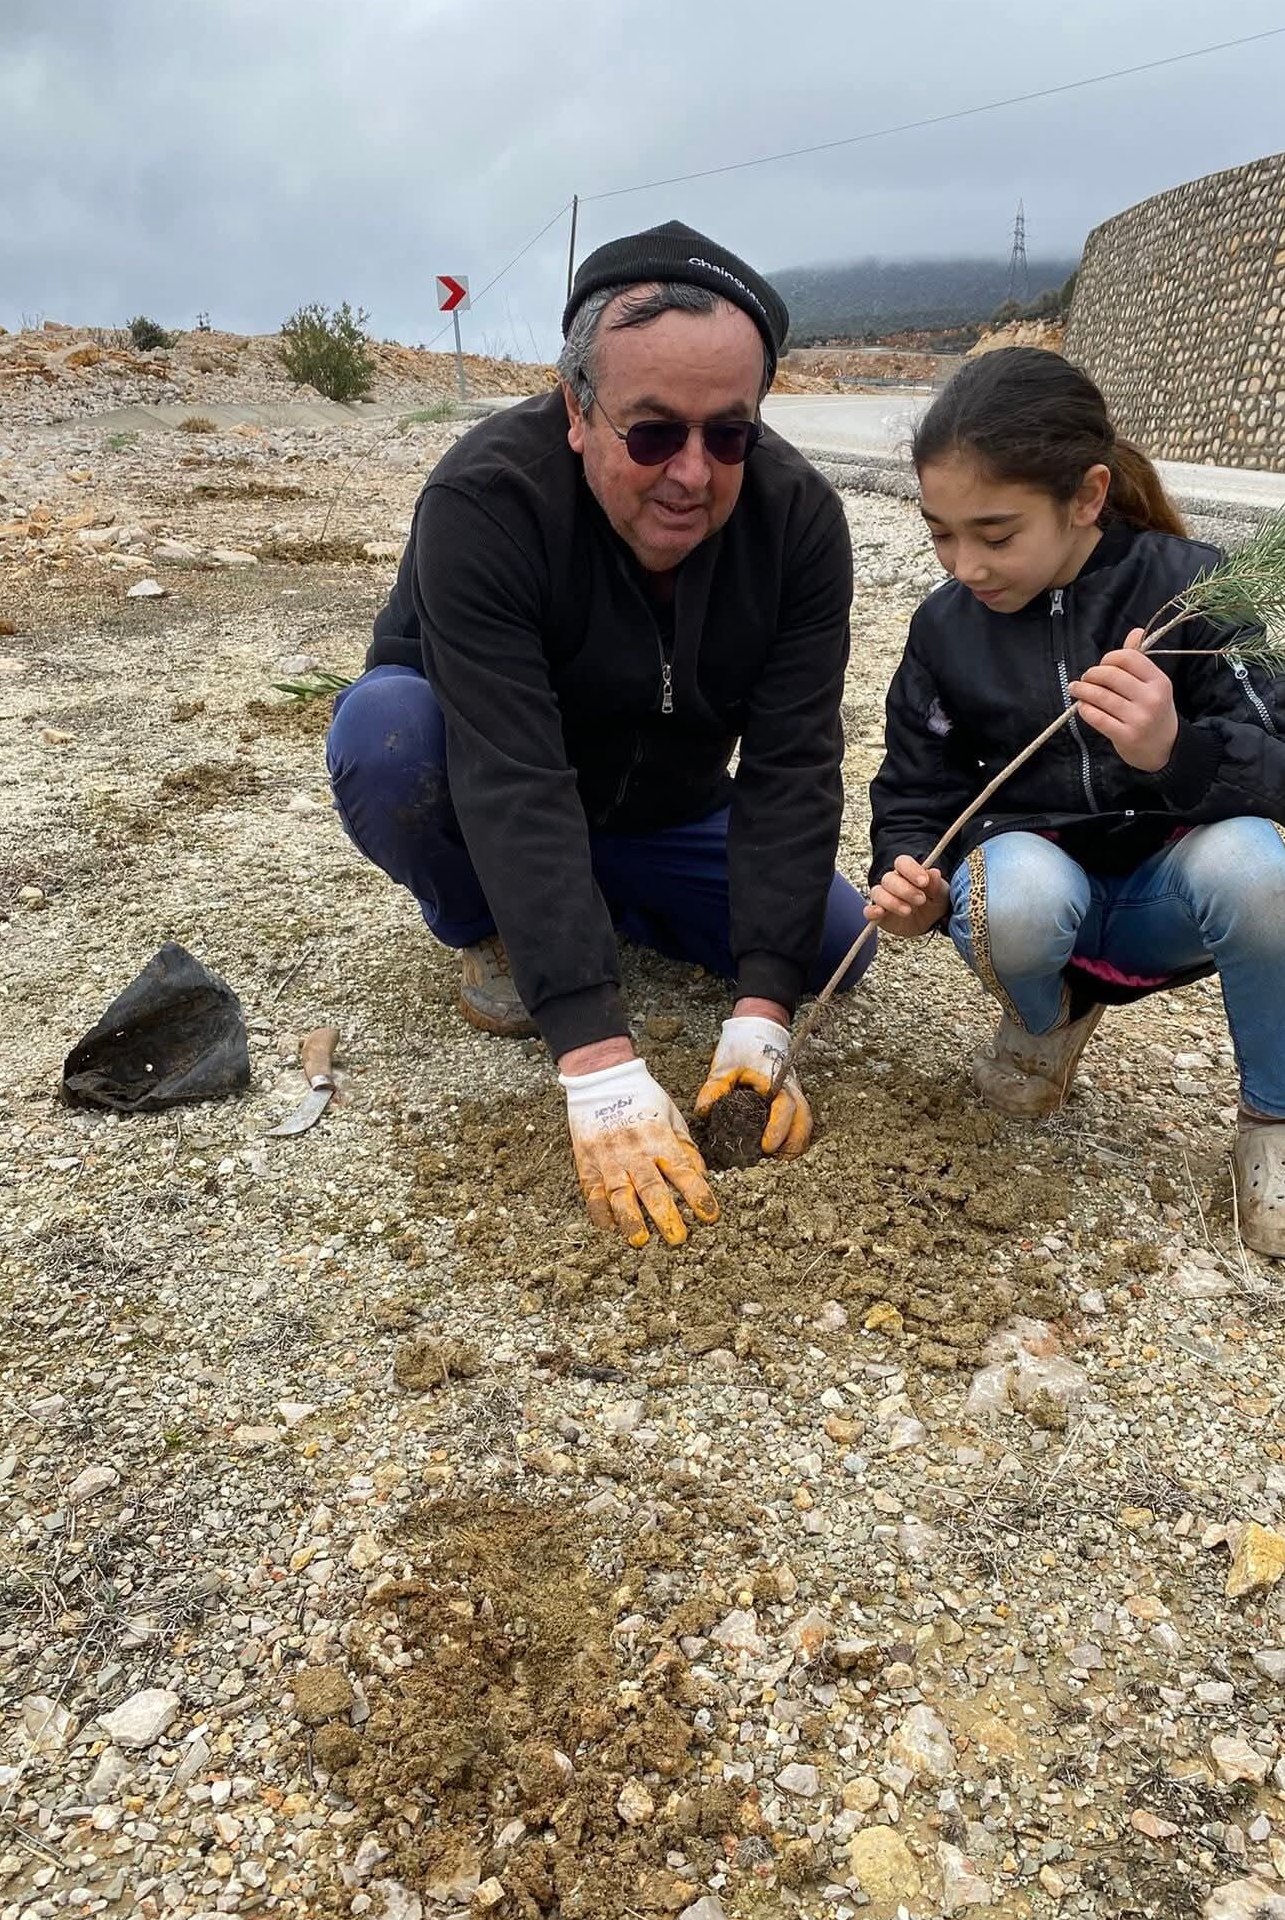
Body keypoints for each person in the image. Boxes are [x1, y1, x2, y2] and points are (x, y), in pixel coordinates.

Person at [326, 221, 875, 1249]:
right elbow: (510, 771)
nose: (693, 474)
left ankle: (585, 902)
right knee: (387, 739)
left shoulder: (797, 520)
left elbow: (794, 765)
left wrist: (763, 1017)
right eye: (654, 432)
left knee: (832, 945)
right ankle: (490, 921)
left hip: (668, 805)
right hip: (500, 777)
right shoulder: (484, 501)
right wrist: (598, 1059)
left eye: (730, 434)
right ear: (576, 407)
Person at [866, 348, 1285, 1259]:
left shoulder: (1190, 592)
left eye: (997, 532)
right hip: (1041, 910)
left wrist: (1177, 749)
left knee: (1257, 861)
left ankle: (1279, 1125)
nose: (966, 563)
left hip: (1171, 903)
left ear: (1087, 496)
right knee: (1008, 890)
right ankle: (1043, 1026)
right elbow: (914, 794)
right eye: (941, 532)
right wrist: (912, 883)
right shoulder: (943, 628)